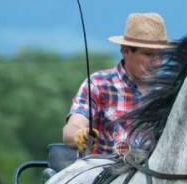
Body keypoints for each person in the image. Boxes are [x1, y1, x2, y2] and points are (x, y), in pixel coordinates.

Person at [62, 12, 169, 156]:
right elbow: (72, 127)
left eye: (161, 55)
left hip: (155, 175)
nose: (157, 62)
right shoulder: (98, 84)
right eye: (149, 54)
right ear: (126, 50)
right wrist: (79, 134)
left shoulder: (169, 91)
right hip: (104, 172)